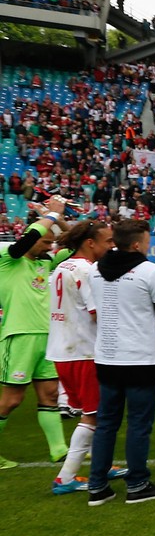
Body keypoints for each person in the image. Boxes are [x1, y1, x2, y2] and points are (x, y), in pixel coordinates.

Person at [86, 220, 155, 505]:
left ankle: (97, 485)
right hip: (139, 357)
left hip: (107, 355)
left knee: (106, 423)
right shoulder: (150, 271)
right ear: (137, 244)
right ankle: (138, 483)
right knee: (139, 424)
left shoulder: (95, 270)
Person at [47, 220, 119, 493]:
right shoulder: (89, 270)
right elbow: (96, 312)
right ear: (91, 243)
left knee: (94, 413)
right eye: (107, 242)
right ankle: (65, 477)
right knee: (94, 416)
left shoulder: (62, 266)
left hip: (63, 350)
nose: (111, 246)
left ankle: (102, 464)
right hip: (84, 351)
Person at [0, 195, 70, 469]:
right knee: (12, 399)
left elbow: (77, 243)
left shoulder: (46, 262)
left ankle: (59, 450)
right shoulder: (8, 257)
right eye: (45, 242)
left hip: (47, 337)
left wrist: (59, 219)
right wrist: (49, 215)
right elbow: (24, 244)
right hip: (19, 336)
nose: (50, 247)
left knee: (50, 395)